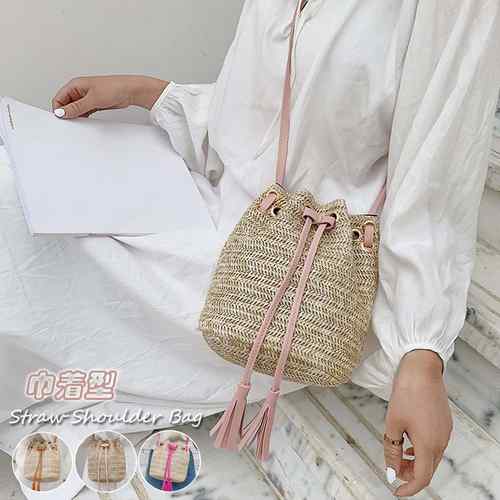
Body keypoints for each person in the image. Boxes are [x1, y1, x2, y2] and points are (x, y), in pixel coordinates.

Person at [2, 0, 500, 496]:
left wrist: (421, 351)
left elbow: (438, 173)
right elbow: (259, 122)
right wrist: (146, 92)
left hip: (302, 278)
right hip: (222, 202)